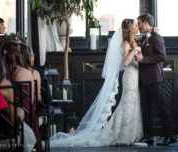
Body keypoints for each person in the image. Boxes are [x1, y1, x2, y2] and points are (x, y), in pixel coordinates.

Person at [50, 18, 142, 147]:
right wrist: (134, 51)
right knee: (127, 104)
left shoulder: (134, 41)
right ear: (131, 29)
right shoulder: (126, 43)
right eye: (135, 25)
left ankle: (133, 134)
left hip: (136, 76)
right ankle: (121, 134)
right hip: (130, 77)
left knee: (134, 104)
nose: (138, 27)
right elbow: (125, 63)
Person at [135, 13, 175, 146]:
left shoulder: (156, 37)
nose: (138, 26)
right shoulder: (145, 37)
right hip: (143, 79)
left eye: (139, 23)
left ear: (146, 23)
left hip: (155, 79)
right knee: (145, 109)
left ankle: (170, 136)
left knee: (161, 108)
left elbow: (162, 56)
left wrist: (143, 59)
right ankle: (148, 137)